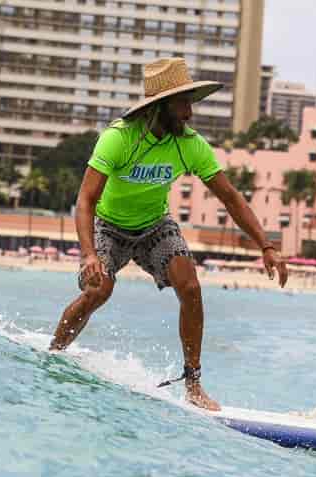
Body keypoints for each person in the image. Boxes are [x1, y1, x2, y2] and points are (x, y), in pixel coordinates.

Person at [49, 58, 288, 411]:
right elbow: (85, 199)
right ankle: (53, 353)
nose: (190, 113)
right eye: (183, 103)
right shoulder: (119, 138)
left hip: (155, 226)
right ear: (160, 106)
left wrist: (266, 245)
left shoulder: (190, 144)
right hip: (109, 226)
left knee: (190, 287)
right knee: (98, 291)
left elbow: (230, 197)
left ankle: (193, 384)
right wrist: (89, 254)